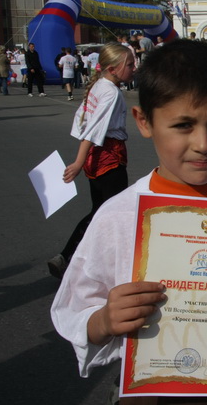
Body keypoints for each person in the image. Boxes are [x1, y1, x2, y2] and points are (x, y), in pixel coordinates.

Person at [50, 39, 207, 404]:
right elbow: (74, 310)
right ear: (144, 121)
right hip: (149, 391)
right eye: (183, 125)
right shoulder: (119, 215)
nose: (203, 143)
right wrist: (104, 320)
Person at [46, 44, 136, 279]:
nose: (134, 68)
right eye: (130, 65)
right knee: (112, 213)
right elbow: (93, 129)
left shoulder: (99, 85)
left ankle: (69, 258)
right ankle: (80, 260)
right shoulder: (111, 93)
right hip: (109, 158)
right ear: (112, 69)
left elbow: (82, 120)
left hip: (96, 158)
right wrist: (77, 162)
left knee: (100, 211)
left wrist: (83, 160)